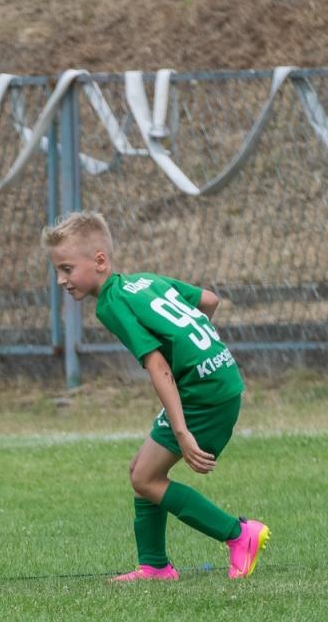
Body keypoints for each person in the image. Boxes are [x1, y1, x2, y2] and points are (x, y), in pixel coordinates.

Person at [44, 211, 268, 581]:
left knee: (147, 479)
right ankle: (155, 566)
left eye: (67, 269)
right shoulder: (144, 282)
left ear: (100, 261)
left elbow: (157, 365)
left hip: (205, 393)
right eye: (58, 270)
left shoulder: (111, 304)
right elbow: (209, 301)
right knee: (140, 471)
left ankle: (240, 534)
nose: (61, 280)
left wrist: (181, 430)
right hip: (219, 376)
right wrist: (200, 350)